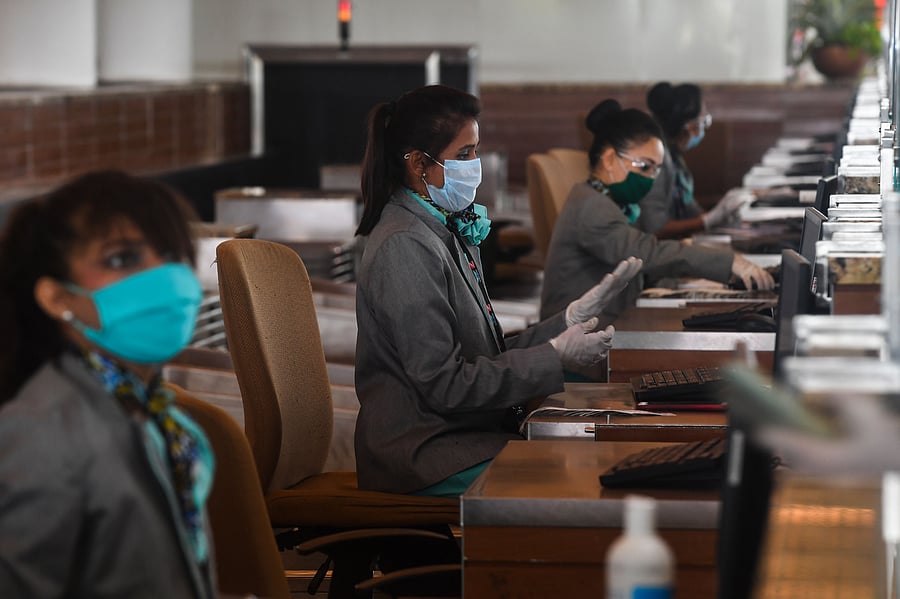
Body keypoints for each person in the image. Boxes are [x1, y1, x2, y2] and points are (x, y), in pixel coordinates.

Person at [353, 85, 642, 497]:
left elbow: (481, 353)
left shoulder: (438, 227)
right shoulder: (405, 243)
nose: (475, 165)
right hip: (425, 453)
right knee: (575, 482)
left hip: (461, 437)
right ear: (419, 163)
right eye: (465, 154)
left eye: (475, 151)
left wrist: (563, 325)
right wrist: (554, 358)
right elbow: (445, 384)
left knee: (590, 451)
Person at [0, 170, 216, 598]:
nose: (165, 277)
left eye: (172, 254)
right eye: (122, 259)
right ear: (57, 298)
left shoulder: (150, 411)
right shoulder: (39, 432)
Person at [539, 99, 775, 321]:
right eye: (645, 167)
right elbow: (646, 253)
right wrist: (728, 262)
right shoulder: (592, 208)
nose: (650, 179)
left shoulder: (612, 201)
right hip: (577, 341)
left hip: (610, 321)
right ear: (610, 159)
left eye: (656, 170)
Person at [641, 82, 754, 239]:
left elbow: (691, 212)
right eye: (704, 120)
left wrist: (722, 217)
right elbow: (656, 228)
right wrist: (708, 220)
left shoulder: (675, 159)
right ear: (690, 126)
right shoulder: (657, 160)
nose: (704, 128)